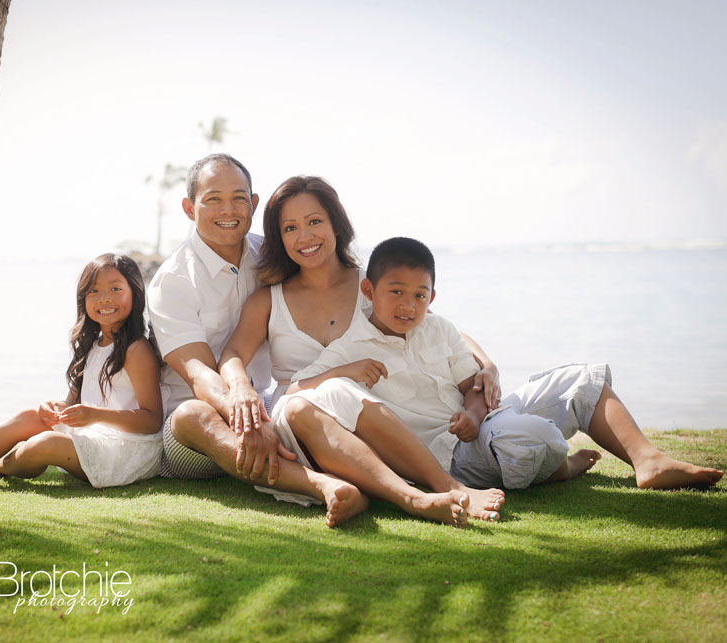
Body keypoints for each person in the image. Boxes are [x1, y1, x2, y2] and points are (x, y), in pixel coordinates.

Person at [285, 237, 724, 490]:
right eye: (395, 291)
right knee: (526, 434)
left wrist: (475, 412)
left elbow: (471, 383)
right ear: (368, 290)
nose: (408, 304)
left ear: (432, 298)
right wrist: (342, 372)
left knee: (577, 378)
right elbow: (294, 391)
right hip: (449, 452)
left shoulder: (438, 328)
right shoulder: (351, 346)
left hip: (483, 423)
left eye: (419, 295)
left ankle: (648, 461)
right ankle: (562, 466)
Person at [219, 176, 504, 523]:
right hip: (303, 420)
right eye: (290, 228)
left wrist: (487, 365)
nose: (305, 237)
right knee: (311, 400)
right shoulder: (268, 300)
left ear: (336, 225)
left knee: (344, 393)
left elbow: (435, 326)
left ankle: (431, 487)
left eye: (315, 222)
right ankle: (415, 498)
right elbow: (233, 354)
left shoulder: (371, 284)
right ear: (280, 238)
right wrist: (241, 388)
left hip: (371, 419)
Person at [147, 154, 373, 528]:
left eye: (238, 198)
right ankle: (323, 487)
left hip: (265, 405)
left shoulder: (272, 253)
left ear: (253, 204)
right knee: (192, 415)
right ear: (190, 208)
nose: (228, 210)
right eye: (213, 199)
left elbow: (345, 287)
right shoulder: (172, 281)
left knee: (304, 400)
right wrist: (243, 415)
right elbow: (198, 374)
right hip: (195, 432)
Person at [0, 253, 164, 489]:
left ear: (135, 292)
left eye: (115, 289)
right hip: (95, 436)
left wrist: (93, 415)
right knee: (31, 416)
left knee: (43, 444)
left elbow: (152, 420)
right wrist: (56, 409)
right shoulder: (93, 345)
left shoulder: (135, 349)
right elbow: (73, 404)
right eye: (93, 291)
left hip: (128, 449)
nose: (104, 298)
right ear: (83, 298)